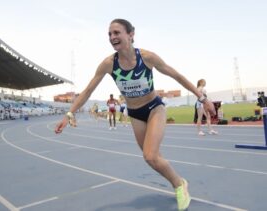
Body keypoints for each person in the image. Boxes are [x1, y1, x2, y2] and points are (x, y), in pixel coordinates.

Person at [55, 18, 216, 210]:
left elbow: (178, 76)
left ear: (131, 35)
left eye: (116, 33)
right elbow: (88, 91)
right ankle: (178, 181)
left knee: (150, 156)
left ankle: (180, 185)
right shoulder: (108, 64)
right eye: (109, 34)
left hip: (154, 108)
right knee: (152, 159)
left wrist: (203, 98)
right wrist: (69, 114)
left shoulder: (147, 58)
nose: (112, 37)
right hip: (135, 114)